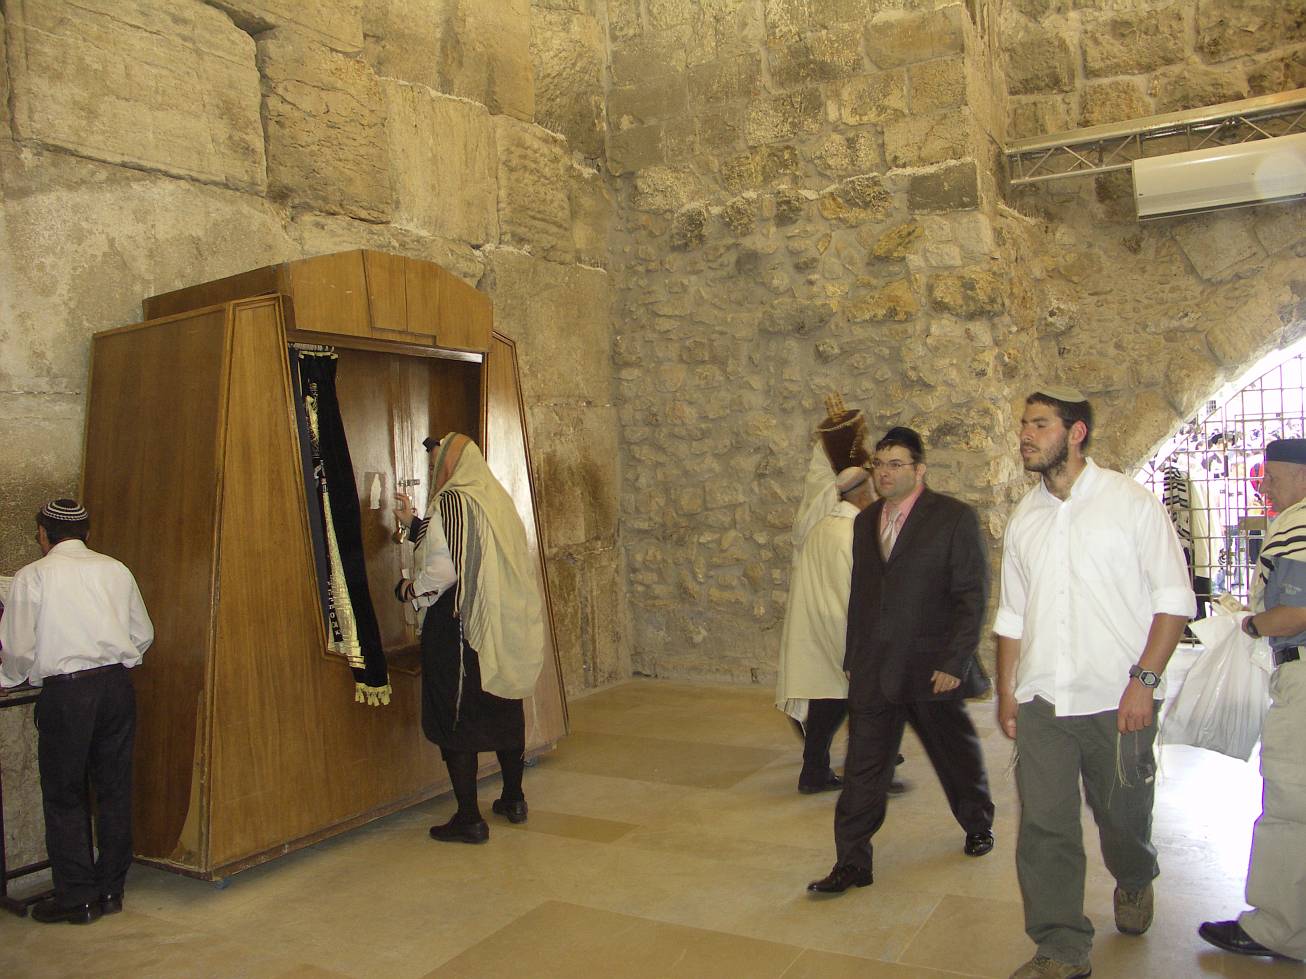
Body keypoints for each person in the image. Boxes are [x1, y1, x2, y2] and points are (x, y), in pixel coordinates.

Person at [995, 387, 1194, 979]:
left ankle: (1134, 876)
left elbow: (1173, 600)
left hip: (1118, 698)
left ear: (1076, 432)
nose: (1026, 435)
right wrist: (1008, 691)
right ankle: (1061, 946)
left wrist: (1144, 681)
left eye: (1040, 424)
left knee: (1122, 818)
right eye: (1024, 424)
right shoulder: (1025, 517)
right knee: (1044, 827)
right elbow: (1012, 615)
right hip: (1043, 700)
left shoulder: (1130, 504)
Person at [808, 426, 994, 895]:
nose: (884, 473)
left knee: (954, 755)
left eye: (895, 464)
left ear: (919, 470)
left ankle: (977, 823)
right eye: (879, 464)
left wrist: (954, 662)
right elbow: (862, 596)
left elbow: (971, 597)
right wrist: (854, 655)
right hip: (875, 667)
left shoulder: (953, 518)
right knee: (863, 766)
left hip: (932, 669)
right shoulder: (866, 522)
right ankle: (852, 861)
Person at [0, 499, 153, 924]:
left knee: (65, 794)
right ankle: (111, 889)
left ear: (43, 534)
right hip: (116, 687)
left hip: (67, 694)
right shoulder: (116, 570)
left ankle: (78, 898)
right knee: (114, 789)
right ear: (87, 533)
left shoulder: (33, 576)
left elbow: (18, 649)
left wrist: (9, 677)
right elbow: (142, 633)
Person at [395, 434, 544, 844]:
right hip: (500, 622)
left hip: (461, 627)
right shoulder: (494, 498)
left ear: (451, 463)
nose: (433, 472)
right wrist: (413, 526)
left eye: (435, 464)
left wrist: (410, 591)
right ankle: (514, 799)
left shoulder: (451, 501)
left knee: (456, 714)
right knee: (503, 705)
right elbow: (466, 544)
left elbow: (445, 570)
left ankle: (468, 818)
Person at [1198, 437, 1306, 962]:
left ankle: (1278, 929)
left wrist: (1250, 624)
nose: (1266, 489)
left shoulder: (1298, 525)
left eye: (1274, 478)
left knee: (1291, 806)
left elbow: (1295, 613)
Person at [776, 450, 874, 793]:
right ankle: (871, 770)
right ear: (862, 495)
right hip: (842, 631)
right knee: (857, 702)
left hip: (815, 629)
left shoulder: (821, 528)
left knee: (826, 703)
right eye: (871, 493)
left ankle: (814, 772)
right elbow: (859, 591)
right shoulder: (853, 533)